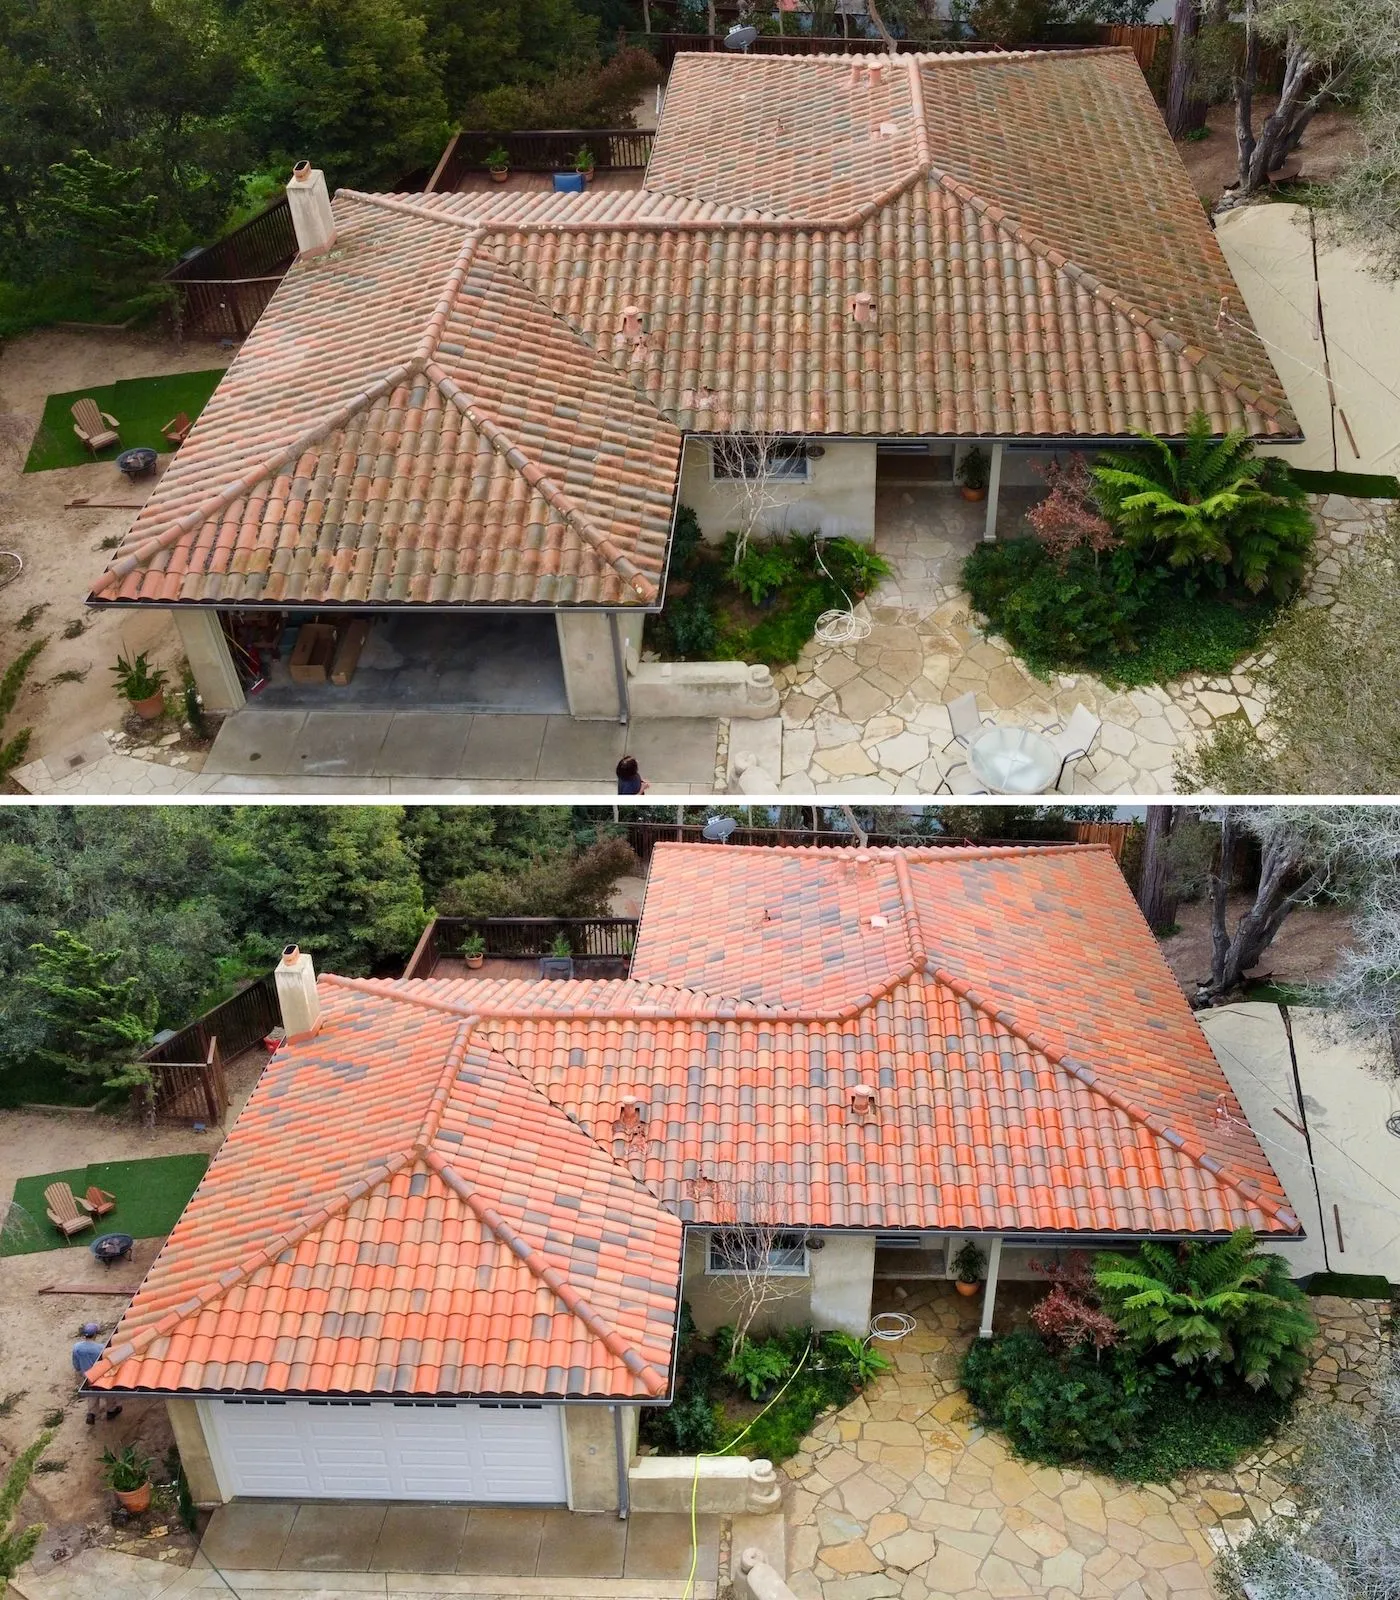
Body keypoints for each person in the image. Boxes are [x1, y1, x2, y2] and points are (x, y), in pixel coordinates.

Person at [72, 1323, 120, 1424]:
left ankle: (92, 1413)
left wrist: (79, 1370)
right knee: (107, 1390)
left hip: (86, 1374)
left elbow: (76, 1363)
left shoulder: (77, 1347)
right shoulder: (100, 1348)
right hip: (99, 1374)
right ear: (95, 1334)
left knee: (92, 1393)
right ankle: (111, 1410)